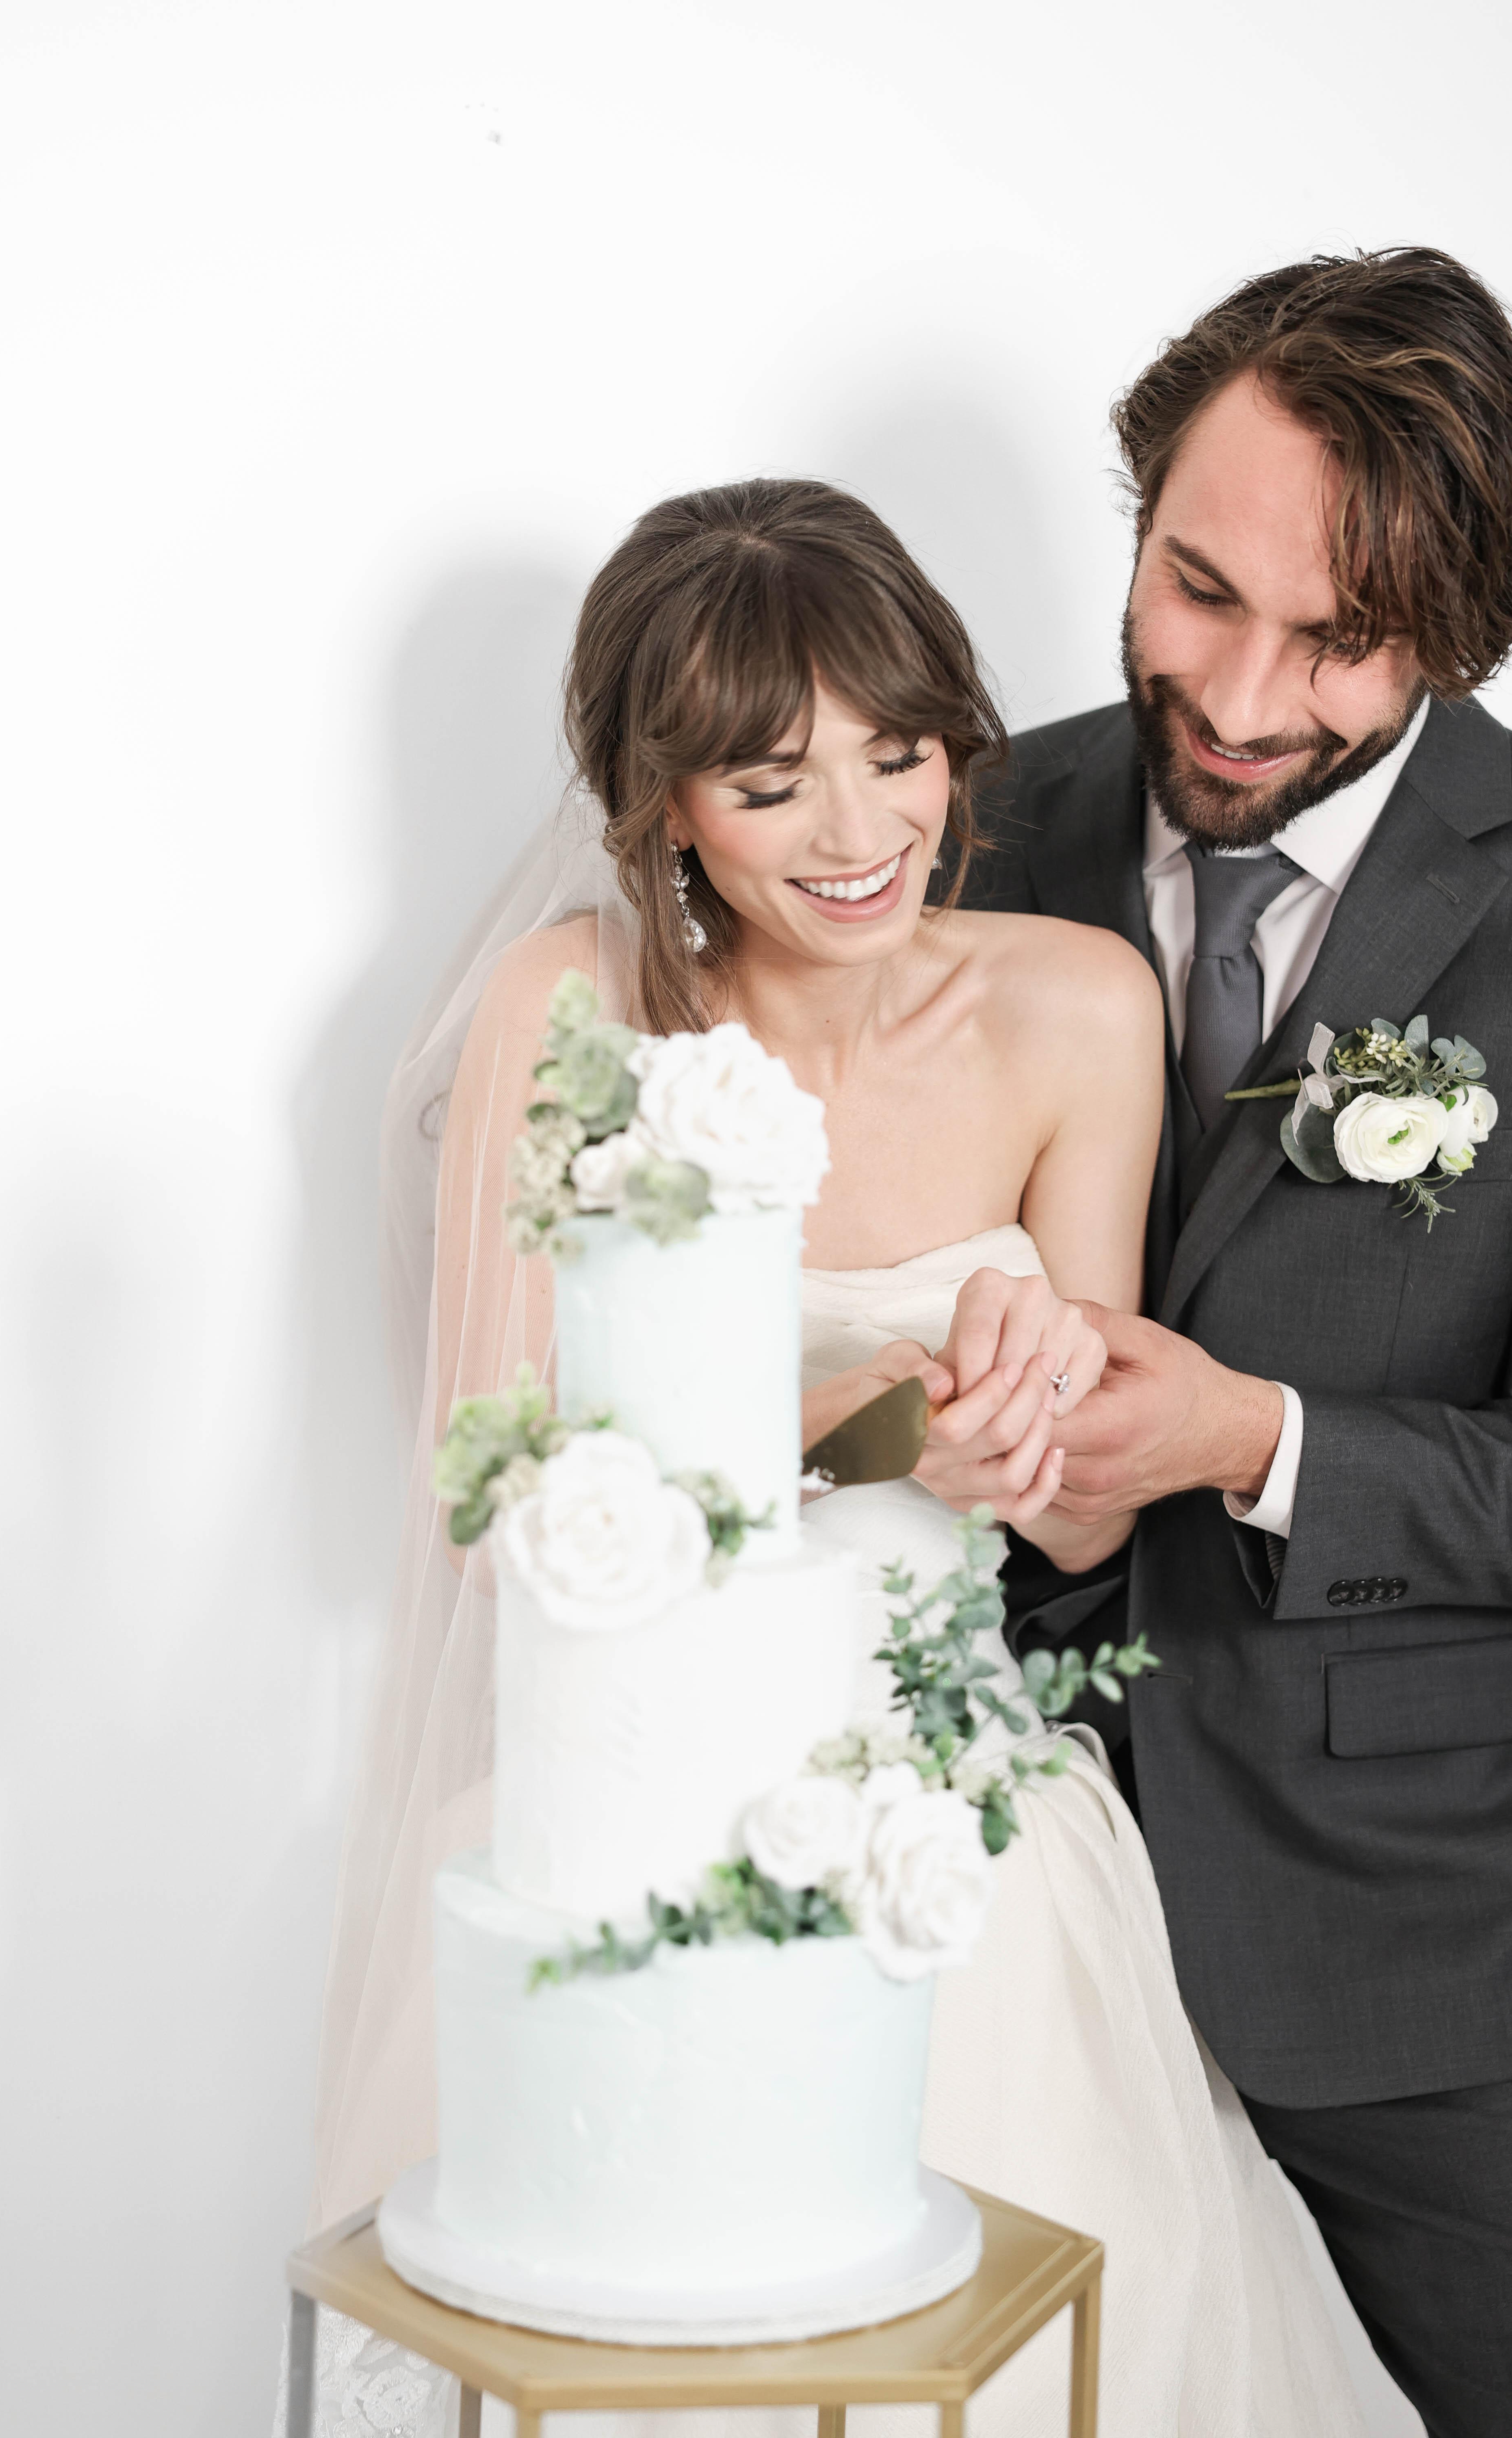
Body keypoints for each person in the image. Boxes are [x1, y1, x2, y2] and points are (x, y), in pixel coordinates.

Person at [301, 477, 1365, 2437]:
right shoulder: (571, 1005)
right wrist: (861, 1416)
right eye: (772, 785)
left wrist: (1031, 1419)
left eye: (899, 755)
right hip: (626, 1805)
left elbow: (1083, 1524)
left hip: (942, 1818)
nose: (862, 835)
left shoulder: (1079, 1006)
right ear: (665, 806)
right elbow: (484, 1495)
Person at [969, 245, 1512, 2438]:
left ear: (1457, 638)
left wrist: (1256, 1438)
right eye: (1197, 589)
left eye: (1338, 641)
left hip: (1419, 1966)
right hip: (985, 1931)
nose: (1240, 694)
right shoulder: (951, 830)